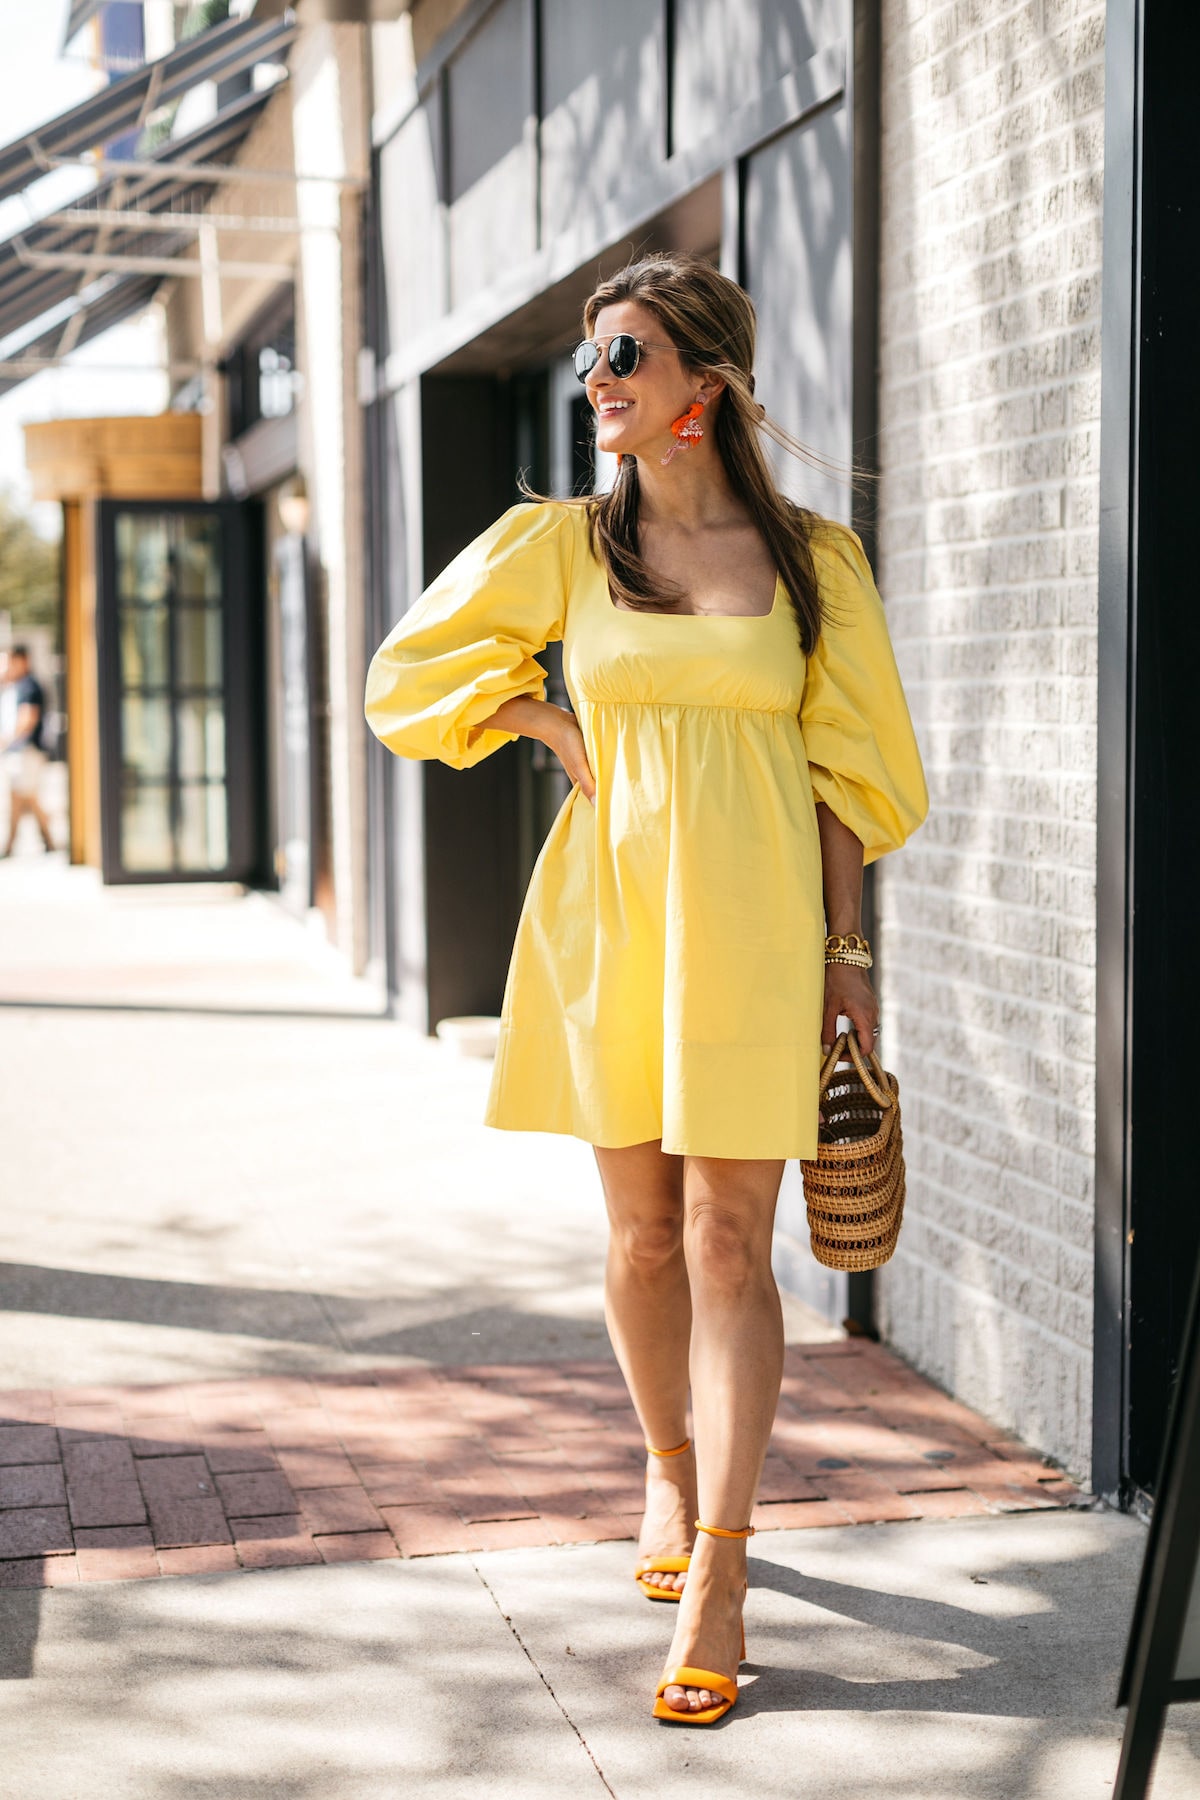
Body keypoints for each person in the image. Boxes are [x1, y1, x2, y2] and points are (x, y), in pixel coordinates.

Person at [365, 253, 927, 1724]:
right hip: (612, 915)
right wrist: (548, 717)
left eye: (624, 357)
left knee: (732, 1243)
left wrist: (848, 958)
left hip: (754, 923)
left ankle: (729, 1566)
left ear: (708, 385)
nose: (597, 384)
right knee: (642, 1241)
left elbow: (848, 776)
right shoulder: (563, 544)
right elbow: (408, 677)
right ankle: (668, 1473)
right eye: (593, 361)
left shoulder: (814, 560)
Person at [0, 645, 54, 856]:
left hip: (26, 751)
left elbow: (27, 719)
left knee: (26, 796)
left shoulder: (28, 687)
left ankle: (14, 844)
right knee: (22, 796)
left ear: (22, 661)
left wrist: (5, 741)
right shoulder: (16, 686)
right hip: (19, 751)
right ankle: (40, 839)